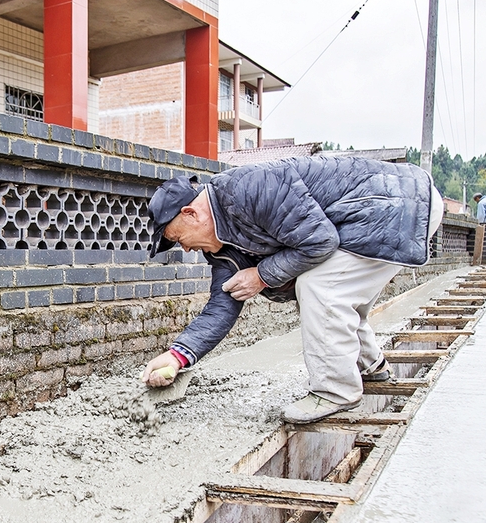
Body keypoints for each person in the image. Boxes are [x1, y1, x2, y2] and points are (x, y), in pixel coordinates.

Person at [141, 156, 443, 424]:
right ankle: (370, 367)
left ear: (191, 213)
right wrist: (178, 356)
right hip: (390, 209)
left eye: (178, 238)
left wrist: (261, 275)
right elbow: (222, 305)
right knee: (331, 293)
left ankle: (336, 391)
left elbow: (320, 241)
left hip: (397, 204)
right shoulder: (221, 248)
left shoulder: (248, 189)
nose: (185, 248)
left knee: (320, 287)